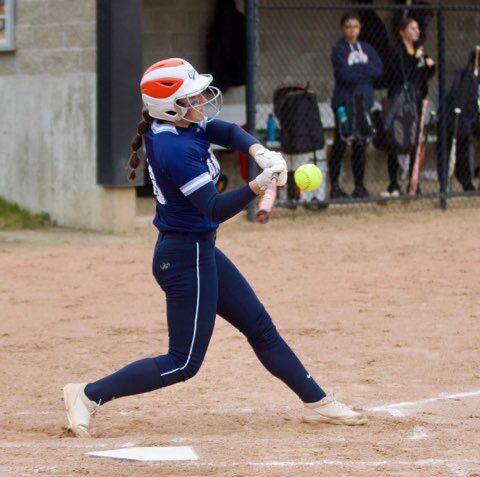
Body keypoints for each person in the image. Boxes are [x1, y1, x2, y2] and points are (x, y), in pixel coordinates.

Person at [62, 58, 367, 437]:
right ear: (170, 107)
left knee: (259, 326)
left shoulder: (178, 126)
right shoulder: (175, 149)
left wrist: (260, 153)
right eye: (193, 98)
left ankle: (318, 403)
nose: (202, 101)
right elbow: (214, 208)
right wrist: (258, 186)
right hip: (184, 257)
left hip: (197, 251)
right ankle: (87, 395)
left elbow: (223, 130)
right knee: (183, 362)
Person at [329, 12, 383, 199]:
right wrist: (364, 73)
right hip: (344, 101)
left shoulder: (367, 48)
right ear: (342, 29)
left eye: (355, 27)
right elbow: (344, 74)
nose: (352, 31)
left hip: (364, 101)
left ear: (360, 29)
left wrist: (357, 71)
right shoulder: (339, 49)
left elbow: (378, 70)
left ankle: (359, 186)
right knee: (341, 142)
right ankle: (335, 186)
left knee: (361, 143)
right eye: (348, 27)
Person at [384, 18, 435, 196]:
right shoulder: (396, 51)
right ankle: (393, 182)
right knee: (395, 140)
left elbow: (425, 73)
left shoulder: (418, 50)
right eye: (412, 28)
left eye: (417, 28)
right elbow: (400, 74)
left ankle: (414, 182)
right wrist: (415, 60)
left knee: (415, 141)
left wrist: (429, 65)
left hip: (417, 99)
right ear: (402, 32)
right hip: (400, 100)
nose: (416, 32)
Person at [446, 49, 480, 192]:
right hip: (464, 121)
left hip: (475, 121)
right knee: (461, 145)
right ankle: (462, 180)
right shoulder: (467, 78)